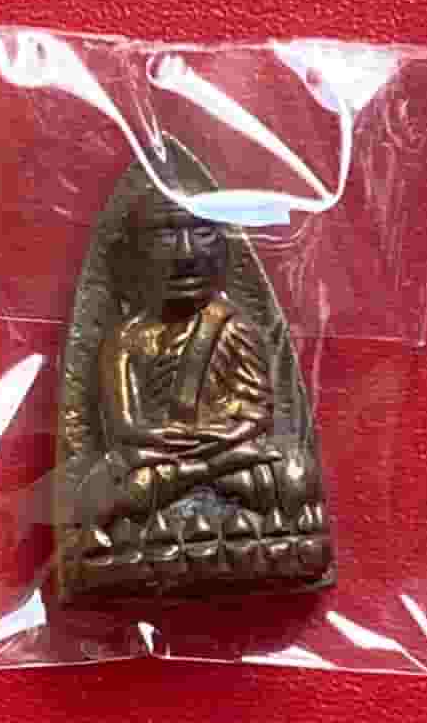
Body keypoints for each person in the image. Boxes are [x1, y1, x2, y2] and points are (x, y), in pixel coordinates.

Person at [77, 185, 318, 536]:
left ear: (223, 249)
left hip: (223, 452)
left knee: (295, 471)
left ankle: (193, 487)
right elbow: (125, 428)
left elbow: (257, 412)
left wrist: (219, 436)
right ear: (132, 255)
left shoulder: (231, 326)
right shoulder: (126, 338)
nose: (186, 253)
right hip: (163, 458)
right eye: (165, 236)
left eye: (203, 233)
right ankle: (201, 484)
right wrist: (185, 443)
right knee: (104, 488)